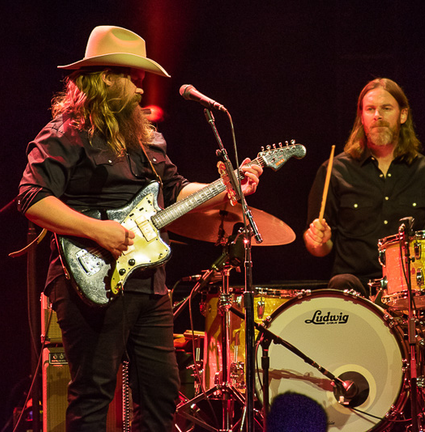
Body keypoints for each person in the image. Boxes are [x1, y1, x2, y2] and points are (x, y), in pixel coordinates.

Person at [17, 25, 262, 431]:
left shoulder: (147, 139)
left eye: (141, 80)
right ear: (104, 79)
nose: (139, 90)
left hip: (149, 284)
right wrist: (98, 232)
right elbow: (31, 197)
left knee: (162, 395)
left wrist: (226, 189)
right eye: (132, 78)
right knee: (93, 395)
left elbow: (176, 192)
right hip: (90, 281)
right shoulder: (66, 133)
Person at [304, 78, 425, 297]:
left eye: (386, 108)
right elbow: (318, 246)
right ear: (361, 117)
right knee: (340, 284)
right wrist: (317, 240)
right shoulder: (334, 170)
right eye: (370, 109)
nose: (377, 116)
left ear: (403, 115)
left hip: (413, 285)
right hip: (356, 286)